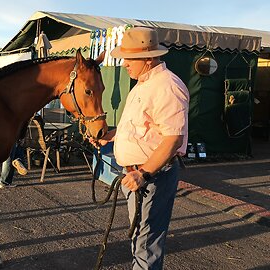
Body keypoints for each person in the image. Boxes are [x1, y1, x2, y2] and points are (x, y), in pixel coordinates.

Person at [90, 27, 189, 270]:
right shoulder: (143, 84)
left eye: (129, 58)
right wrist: (111, 136)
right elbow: (139, 126)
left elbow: (173, 139)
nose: (124, 64)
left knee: (146, 243)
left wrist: (143, 173)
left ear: (148, 58)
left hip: (151, 178)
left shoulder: (167, 86)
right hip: (137, 176)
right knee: (140, 238)